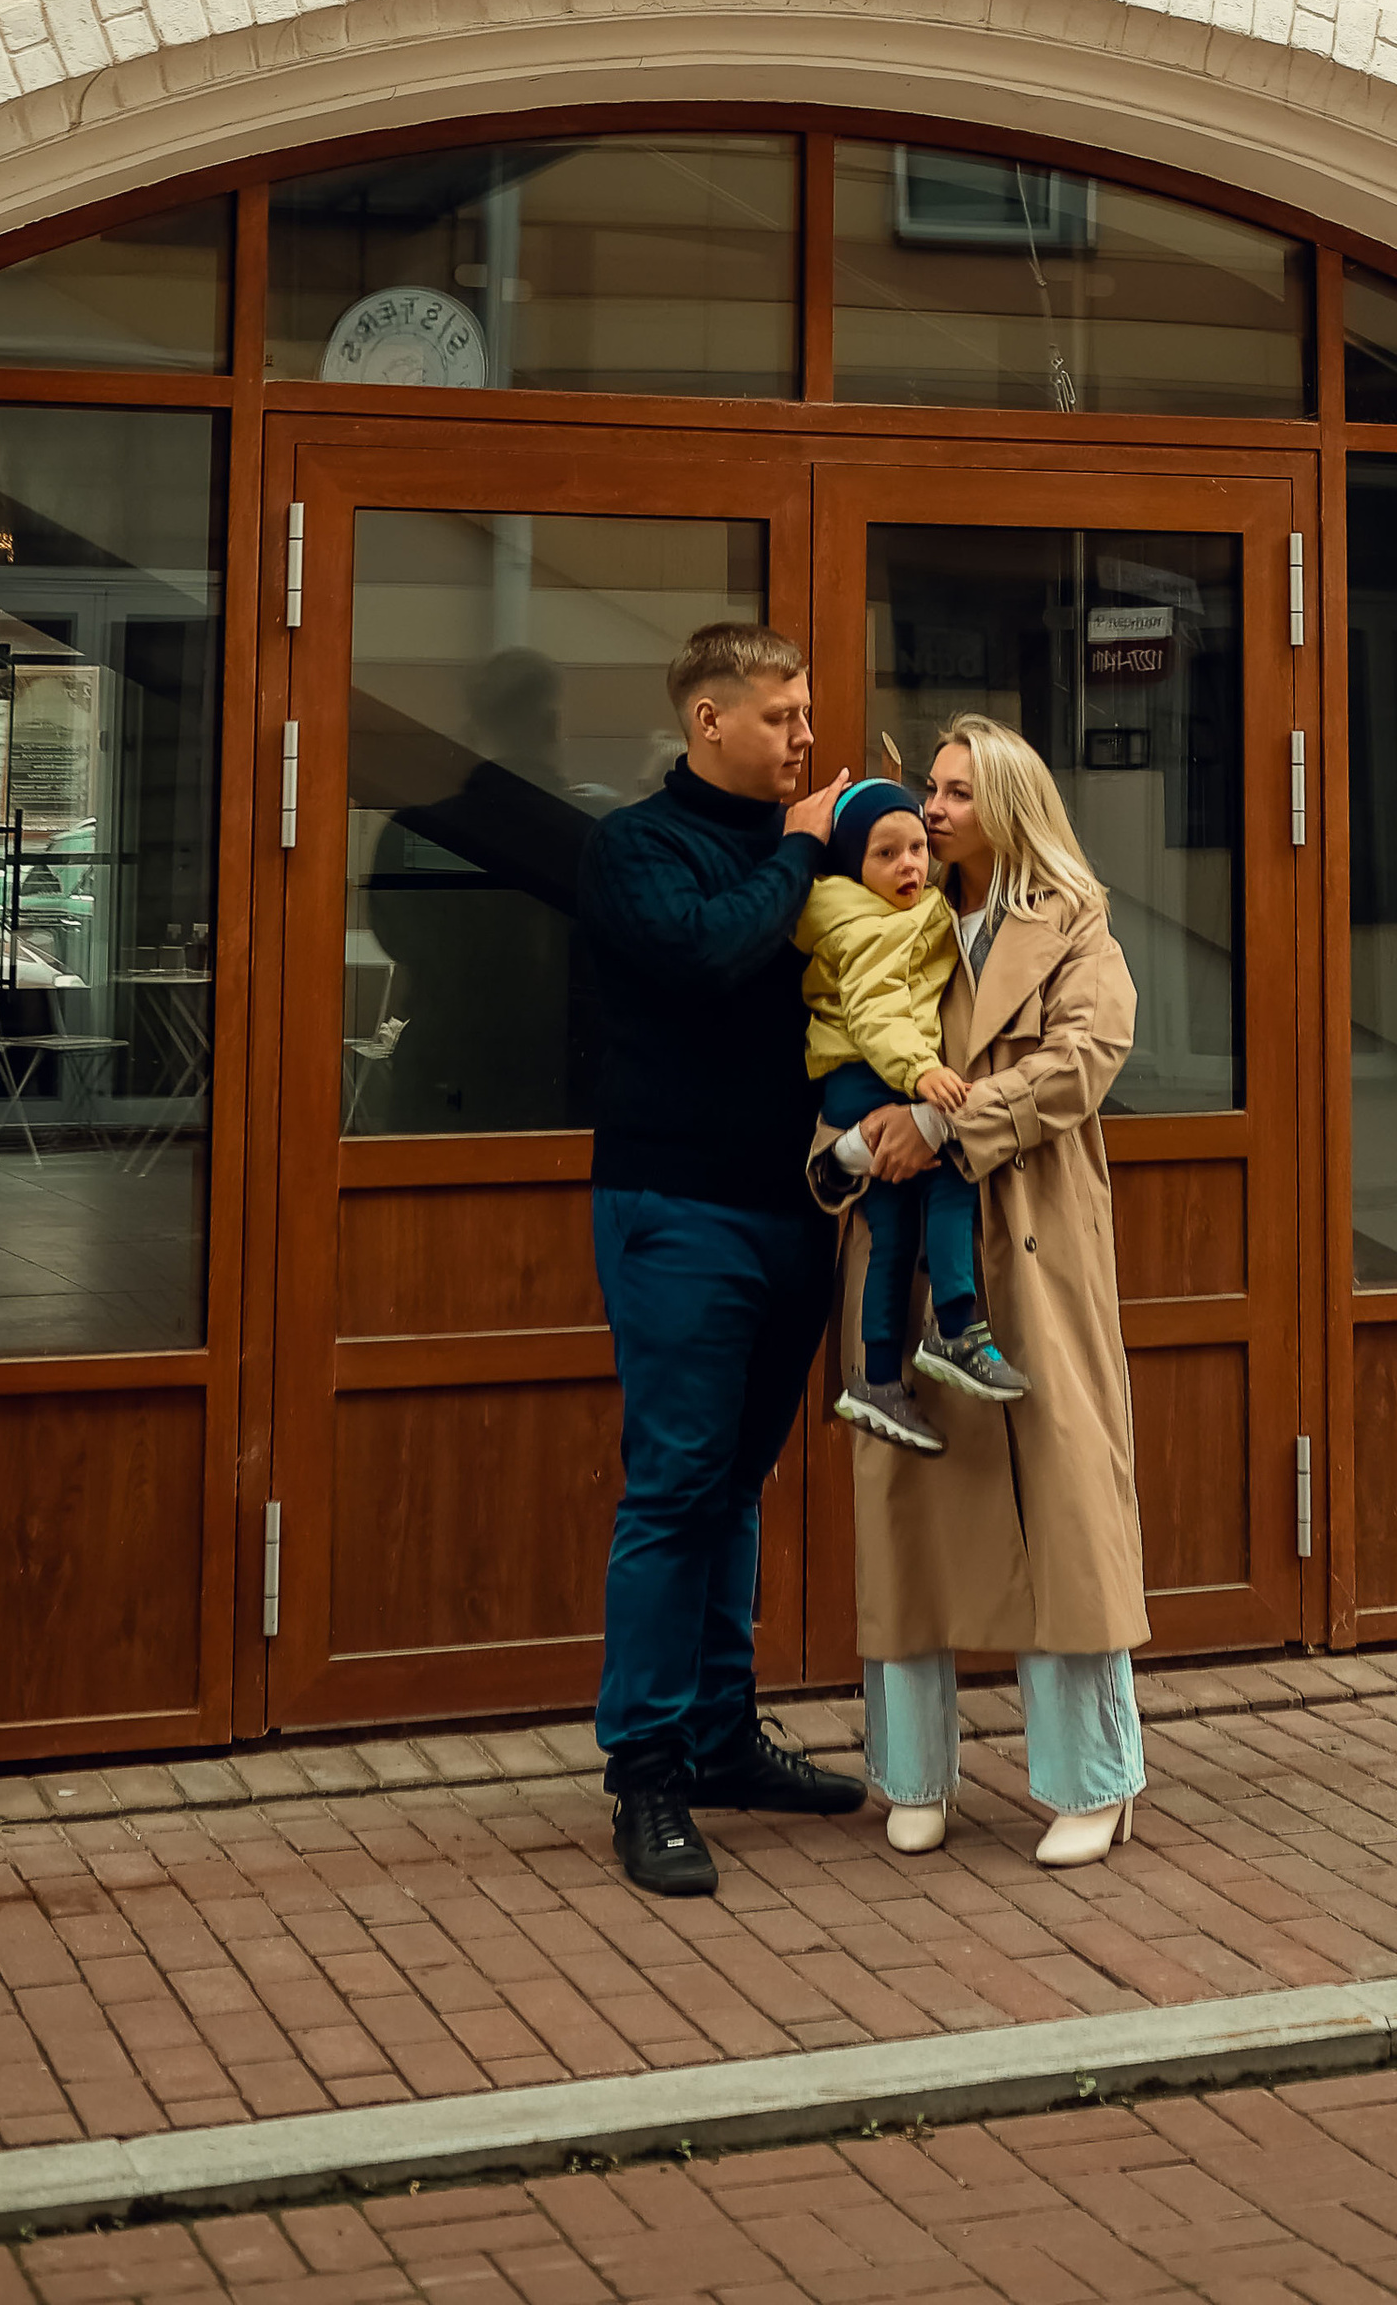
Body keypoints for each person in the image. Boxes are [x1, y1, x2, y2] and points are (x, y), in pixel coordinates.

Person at [812, 713, 1149, 1870]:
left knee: (1063, 1504)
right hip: (905, 1247)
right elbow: (829, 1047)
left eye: (958, 791)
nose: (935, 808)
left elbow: (1088, 1056)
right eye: (931, 790)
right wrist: (853, 1146)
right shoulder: (885, 913)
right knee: (906, 1508)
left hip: (1032, 1238)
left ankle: (1089, 1780)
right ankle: (910, 1774)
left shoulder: (1072, 919)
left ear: (1006, 802)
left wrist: (944, 1124)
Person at [576, 620, 869, 1897]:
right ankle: (646, 1771)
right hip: (676, 1207)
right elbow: (707, 953)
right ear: (708, 719)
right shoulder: (638, 847)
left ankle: (718, 1736)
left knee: (742, 1480)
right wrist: (806, 846)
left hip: (797, 1207)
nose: (807, 740)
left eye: (808, 717)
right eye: (782, 718)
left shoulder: (816, 851)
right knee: (677, 1483)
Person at [798, 776, 1030, 1455]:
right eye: (886, 854)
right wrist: (920, 1075)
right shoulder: (868, 926)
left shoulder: (885, 911)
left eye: (918, 850)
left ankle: (875, 1377)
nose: (910, 866)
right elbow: (875, 1013)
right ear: (852, 867)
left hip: (855, 1083)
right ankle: (955, 1326)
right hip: (874, 1077)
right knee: (953, 1172)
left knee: (893, 1231)